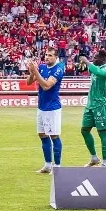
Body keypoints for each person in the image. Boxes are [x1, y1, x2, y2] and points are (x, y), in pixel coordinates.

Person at [26, 43, 65, 173]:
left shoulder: (58, 69)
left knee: (54, 135)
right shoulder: (42, 67)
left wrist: (36, 71)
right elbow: (29, 82)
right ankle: (48, 165)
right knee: (42, 134)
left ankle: (57, 167)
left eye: (50, 55)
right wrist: (32, 72)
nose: (47, 57)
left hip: (52, 108)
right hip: (41, 106)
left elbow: (47, 86)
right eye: (46, 55)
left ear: (56, 57)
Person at [73, 48, 106, 167]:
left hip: (101, 105)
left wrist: (86, 61)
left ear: (102, 58)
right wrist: (80, 63)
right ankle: (94, 158)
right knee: (84, 130)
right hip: (90, 105)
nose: (93, 59)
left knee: (102, 132)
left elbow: (99, 72)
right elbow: (81, 69)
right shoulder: (95, 67)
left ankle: (105, 163)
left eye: (96, 57)